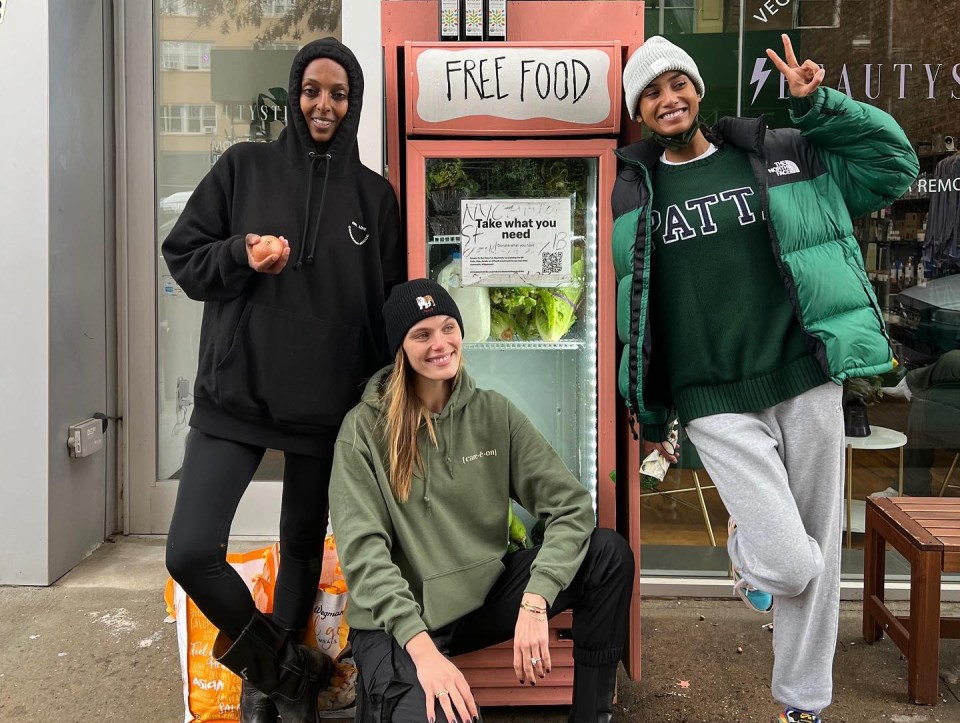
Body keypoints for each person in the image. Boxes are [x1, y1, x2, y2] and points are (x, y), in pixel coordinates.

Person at [613, 35, 918, 723]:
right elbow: (634, 303)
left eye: (677, 83)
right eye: (652, 91)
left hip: (802, 371)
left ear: (696, 91)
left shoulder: (778, 152)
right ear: (640, 110)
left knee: (820, 543)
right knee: (791, 561)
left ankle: (802, 702)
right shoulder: (635, 192)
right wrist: (651, 402)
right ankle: (750, 557)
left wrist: (821, 107)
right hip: (711, 397)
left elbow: (893, 166)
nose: (668, 98)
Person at [162, 37, 405, 722]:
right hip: (235, 395)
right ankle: (284, 668)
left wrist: (388, 396)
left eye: (338, 93)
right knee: (190, 549)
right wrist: (240, 252)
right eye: (313, 89)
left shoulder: (375, 197)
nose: (323, 104)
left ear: (353, 105)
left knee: (300, 549)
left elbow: (386, 309)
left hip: (326, 410)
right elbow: (184, 256)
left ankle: (271, 693)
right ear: (295, 94)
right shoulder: (244, 169)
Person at [329, 279, 634, 723]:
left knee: (608, 555)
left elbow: (570, 505)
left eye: (448, 327)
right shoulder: (362, 431)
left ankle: (592, 716)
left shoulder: (493, 413)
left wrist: (536, 599)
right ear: (400, 348)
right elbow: (364, 558)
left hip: (479, 599)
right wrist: (425, 654)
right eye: (422, 334)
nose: (440, 344)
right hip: (397, 624)